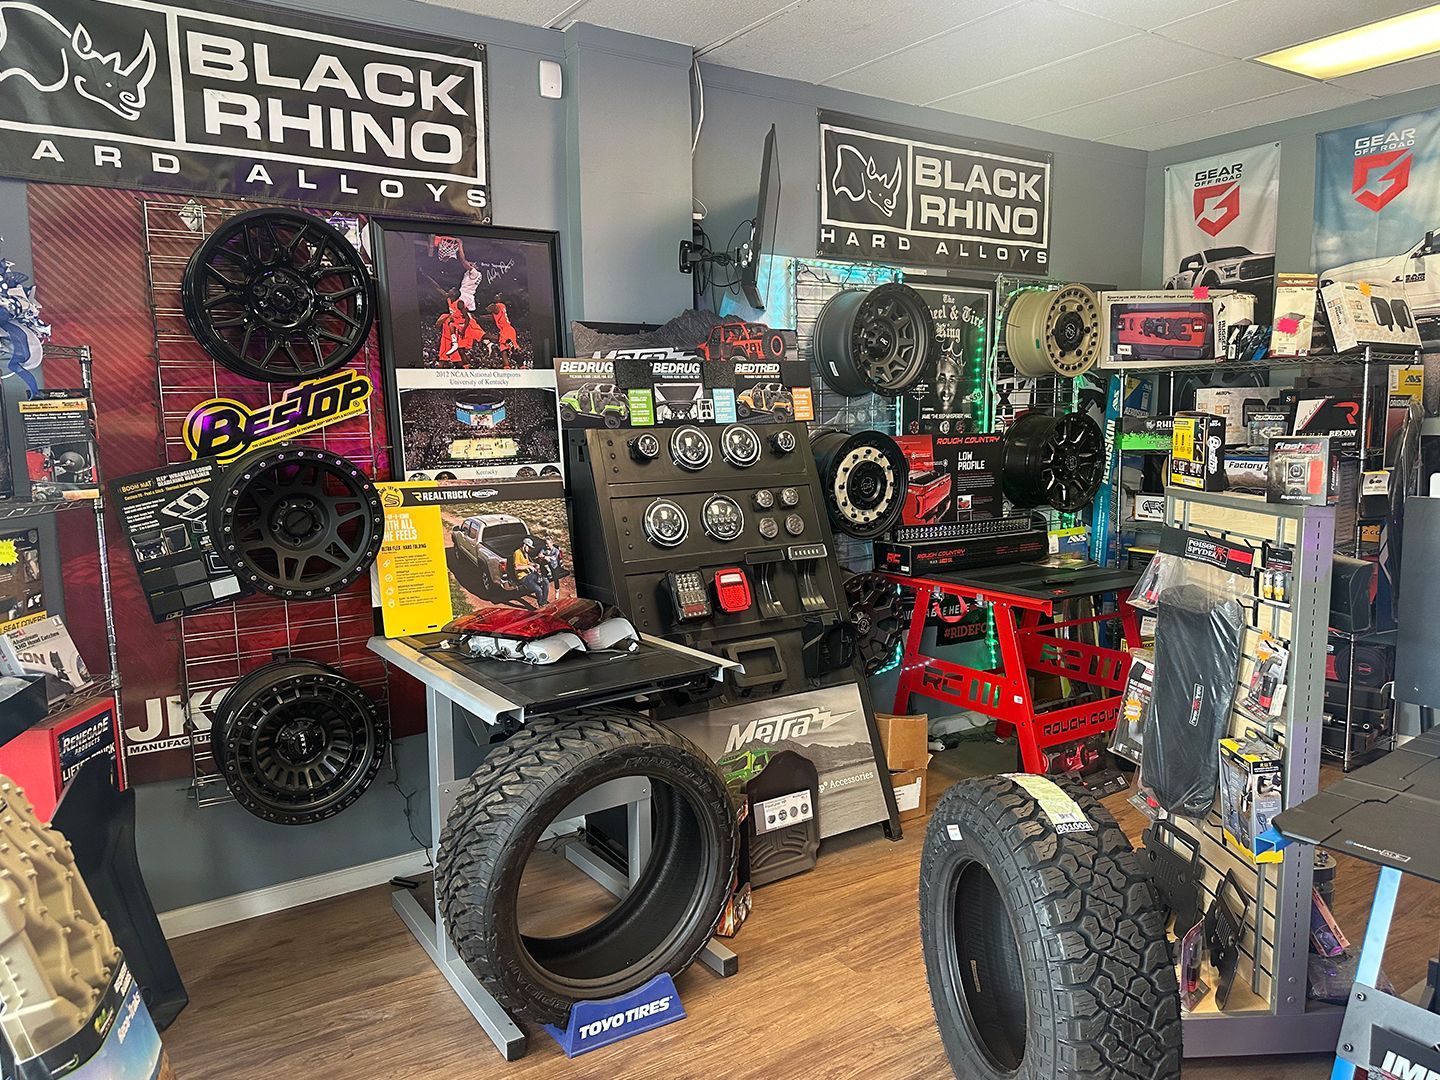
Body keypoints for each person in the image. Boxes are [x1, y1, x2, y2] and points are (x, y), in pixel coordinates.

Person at [436, 297, 485, 366]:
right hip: (446, 340)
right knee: (442, 361)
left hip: (456, 340)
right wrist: (449, 316)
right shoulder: (444, 315)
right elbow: (437, 324)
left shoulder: (459, 318)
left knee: (459, 363)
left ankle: (466, 373)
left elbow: (466, 323)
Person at [511, 537, 549, 606]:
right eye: (529, 547)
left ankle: (544, 602)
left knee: (545, 582)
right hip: (523, 577)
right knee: (538, 589)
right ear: (524, 545)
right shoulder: (517, 553)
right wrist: (528, 567)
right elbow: (516, 567)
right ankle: (541, 605)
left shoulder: (526, 553)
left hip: (530, 575)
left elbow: (528, 562)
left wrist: (534, 564)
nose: (530, 549)